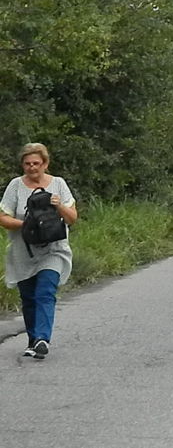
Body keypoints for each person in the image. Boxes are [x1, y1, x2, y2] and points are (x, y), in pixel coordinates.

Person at [0, 143, 78, 359]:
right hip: (23, 252)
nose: (32, 167)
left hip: (54, 250)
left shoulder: (59, 184)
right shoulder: (15, 186)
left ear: (45, 163)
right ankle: (33, 340)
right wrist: (25, 225)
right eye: (27, 164)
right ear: (22, 165)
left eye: (36, 163)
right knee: (28, 298)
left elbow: (72, 218)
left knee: (45, 292)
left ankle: (43, 338)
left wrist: (59, 205)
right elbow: (2, 217)